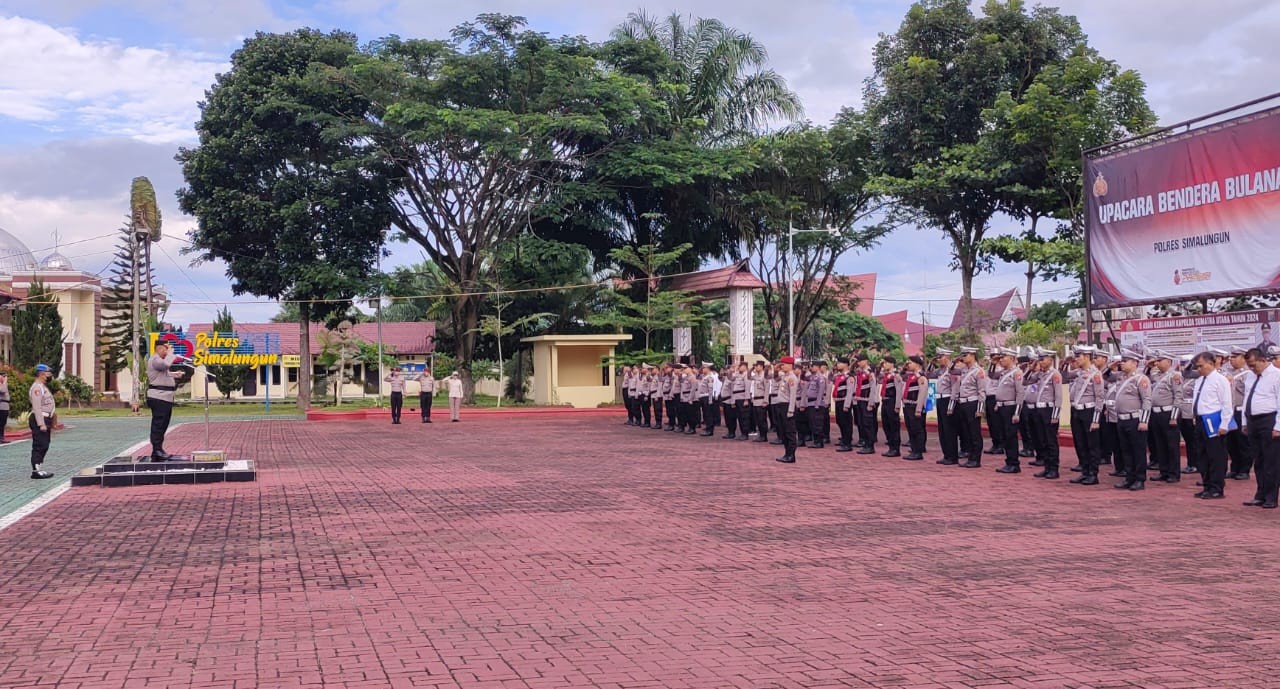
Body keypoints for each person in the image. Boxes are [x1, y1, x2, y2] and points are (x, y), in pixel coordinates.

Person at [1240, 347, 1280, 509]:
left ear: (1263, 361)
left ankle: (1271, 497)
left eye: (1253, 364)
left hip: (1269, 420)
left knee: (1271, 460)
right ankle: (1260, 494)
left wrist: (1278, 426)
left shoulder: (1277, 375)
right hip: (1252, 421)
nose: (1251, 368)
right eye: (1249, 365)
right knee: (1258, 460)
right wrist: (1244, 421)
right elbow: (1247, 399)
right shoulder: (1251, 376)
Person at [1191, 351, 1233, 499]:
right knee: (1202, 456)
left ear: (1211, 363)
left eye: (1201, 366)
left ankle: (1216, 487)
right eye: (1197, 367)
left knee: (1216, 456)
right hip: (1201, 420)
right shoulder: (1199, 380)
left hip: (1214, 420)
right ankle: (1207, 485)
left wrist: (1224, 424)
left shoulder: (1220, 380)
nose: (1199, 369)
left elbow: (1227, 403)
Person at [1112, 350, 1152, 490]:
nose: (1122, 363)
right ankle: (1129, 477)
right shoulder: (1120, 378)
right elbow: (1106, 375)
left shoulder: (1141, 379)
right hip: (1122, 419)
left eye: (1125, 360)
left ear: (1134, 363)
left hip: (1135, 419)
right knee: (1126, 450)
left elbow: (1147, 400)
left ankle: (1139, 479)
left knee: (1138, 451)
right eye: (1122, 360)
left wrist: (1144, 421)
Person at [1065, 346, 1105, 485]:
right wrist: (1065, 362)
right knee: (1080, 443)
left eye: (1078, 356)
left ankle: (1093, 474)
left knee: (1091, 444)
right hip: (1077, 411)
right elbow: (1064, 375)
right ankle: (1084, 471)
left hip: (1089, 411)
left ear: (1087, 357)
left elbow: (1100, 398)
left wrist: (1096, 419)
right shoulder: (1078, 373)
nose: (1076, 359)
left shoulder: (1096, 374)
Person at [1146, 350, 1183, 483]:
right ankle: (1164, 470)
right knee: (1159, 444)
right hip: (1156, 413)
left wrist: (1174, 416)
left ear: (1169, 362)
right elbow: (1148, 370)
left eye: (1160, 360)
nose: (1157, 363)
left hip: (1168, 413)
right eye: (1157, 360)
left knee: (1171, 445)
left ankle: (1173, 473)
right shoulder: (1156, 375)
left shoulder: (1175, 376)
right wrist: (1150, 364)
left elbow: (1178, 396)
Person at [147, 340, 187, 461]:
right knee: (158, 425)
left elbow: (164, 373)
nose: (167, 352)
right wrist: (171, 354)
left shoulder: (159, 361)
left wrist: (175, 374)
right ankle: (156, 451)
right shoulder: (155, 359)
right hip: (159, 397)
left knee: (163, 424)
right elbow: (165, 365)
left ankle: (158, 449)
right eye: (165, 349)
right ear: (159, 349)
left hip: (164, 397)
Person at [1028, 348, 1062, 479]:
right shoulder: (1041, 374)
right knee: (1043, 440)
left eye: (1043, 359)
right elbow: (1026, 381)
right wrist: (1031, 368)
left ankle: (1054, 468)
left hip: (1049, 410)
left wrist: (1055, 415)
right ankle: (1047, 467)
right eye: (1039, 359)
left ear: (1050, 360)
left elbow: (1058, 396)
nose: (1040, 362)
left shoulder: (1055, 374)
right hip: (1040, 409)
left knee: (1051, 441)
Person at [992, 348, 1027, 474]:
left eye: (1003, 357)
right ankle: (1009, 461)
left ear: (1012, 358)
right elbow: (992, 376)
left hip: (1010, 407)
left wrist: (1017, 412)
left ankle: (1014, 463)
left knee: (1011, 436)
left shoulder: (1016, 373)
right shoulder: (1003, 373)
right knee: (1005, 436)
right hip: (1002, 407)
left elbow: (1020, 393)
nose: (1001, 360)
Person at [952, 347, 986, 468]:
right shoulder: (964, 370)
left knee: (974, 432)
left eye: (965, 355)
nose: (963, 358)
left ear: (972, 355)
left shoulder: (979, 371)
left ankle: (976, 459)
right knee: (966, 432)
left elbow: (982, 391)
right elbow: (951, 371)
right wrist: (954, 361)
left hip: (973, 403)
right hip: (963, 403)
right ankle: (970, 456)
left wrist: (980, 409)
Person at [928, 349, 960, 465]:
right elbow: (928, 374)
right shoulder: (940, 371)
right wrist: (931, 363)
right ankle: (946, 454)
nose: (939, 359)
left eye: (941, 357)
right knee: (942, 429)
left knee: (949, 430)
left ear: (947, 357)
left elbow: (955, 389)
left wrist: (951, 406)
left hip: (948, 400)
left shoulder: (953, 371)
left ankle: (952, 456)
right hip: (940, 399)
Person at [1227, 346, 1254, 480]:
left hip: (1241, 411)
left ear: (1243, 358)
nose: (1231, 360)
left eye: (1235, 357)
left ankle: (1244, 469)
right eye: (1231, 357)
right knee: (1231, 442)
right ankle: (1234, 468)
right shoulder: (1228, 373)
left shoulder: (1249, 374)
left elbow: (1249, 394)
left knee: (1243, 442)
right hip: (1230, 411)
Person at [28, 364, 56, 479]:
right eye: (48, 373)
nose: (50, 376)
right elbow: (37, 407)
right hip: (40, 419)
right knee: (39, 445)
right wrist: (41, 423)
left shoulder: (42, 387)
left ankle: (39, 467)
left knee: (45, 444)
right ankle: (36, 470)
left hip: (46, 418)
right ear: (42, 374)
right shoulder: (37, 388)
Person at [901, 356, 929, 460]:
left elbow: (922, 393)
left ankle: (918, 451)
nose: (908, 365)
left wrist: (918, 409)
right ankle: (914, 449)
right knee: (911, 429)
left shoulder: (921, 377)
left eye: (910, 363)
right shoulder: (911, 376)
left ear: (917, 364)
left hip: (915, 406)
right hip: (908, 405)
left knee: (917, 429)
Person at [775, 356, 800, 463]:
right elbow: (775, 375)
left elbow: (793, 395)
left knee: (790, 432)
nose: (782, 366)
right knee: (784, 431)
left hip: (788, 406)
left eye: (784, 364)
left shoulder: (792, 378)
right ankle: (787, 453)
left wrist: (791, 410)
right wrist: (777, 368)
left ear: (790, 365)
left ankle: (791, 455)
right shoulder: (784, 376)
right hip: (781, 405)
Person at [879, 357, 902, 457]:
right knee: (886, 424)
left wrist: (897, 405)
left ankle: (895, 448)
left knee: (893, 425)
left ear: (892, 364)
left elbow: (898, 392)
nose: (884, 364)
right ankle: (890, 445)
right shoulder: (886, 375)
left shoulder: (895, 376)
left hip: (892, 401)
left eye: (886, 363)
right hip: (885, 400)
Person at [832, 357, 854, 452]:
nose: (838, 365)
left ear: (846, 364)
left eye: (840, 363)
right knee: (840, 421)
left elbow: (850, 392)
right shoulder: (839, 376)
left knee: (846, 423)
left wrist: (847, 405)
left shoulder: (849, 377)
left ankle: (847, 443)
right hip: (838, 401)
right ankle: (844, 439)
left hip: (844, 401)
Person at [806, 361, 828, 449]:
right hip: (810, 403)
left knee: (817, 423)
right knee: (812, 423)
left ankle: (819, 441)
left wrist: (818, 404)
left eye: (814, 366)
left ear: (818, 367)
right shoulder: (812, 377)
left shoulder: (821, 378)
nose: (812, 368)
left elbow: (821, 391)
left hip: (816, 403)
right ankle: (815, 440)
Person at [0, 370, 9, 444]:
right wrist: (5, 381)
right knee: (1, 422)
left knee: (3, 422)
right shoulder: (1, 384)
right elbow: (3, 390)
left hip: (5, 405)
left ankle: (2, 437)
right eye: (3, 376)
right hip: (1, 405)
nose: (5, 378)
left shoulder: (3, 384)